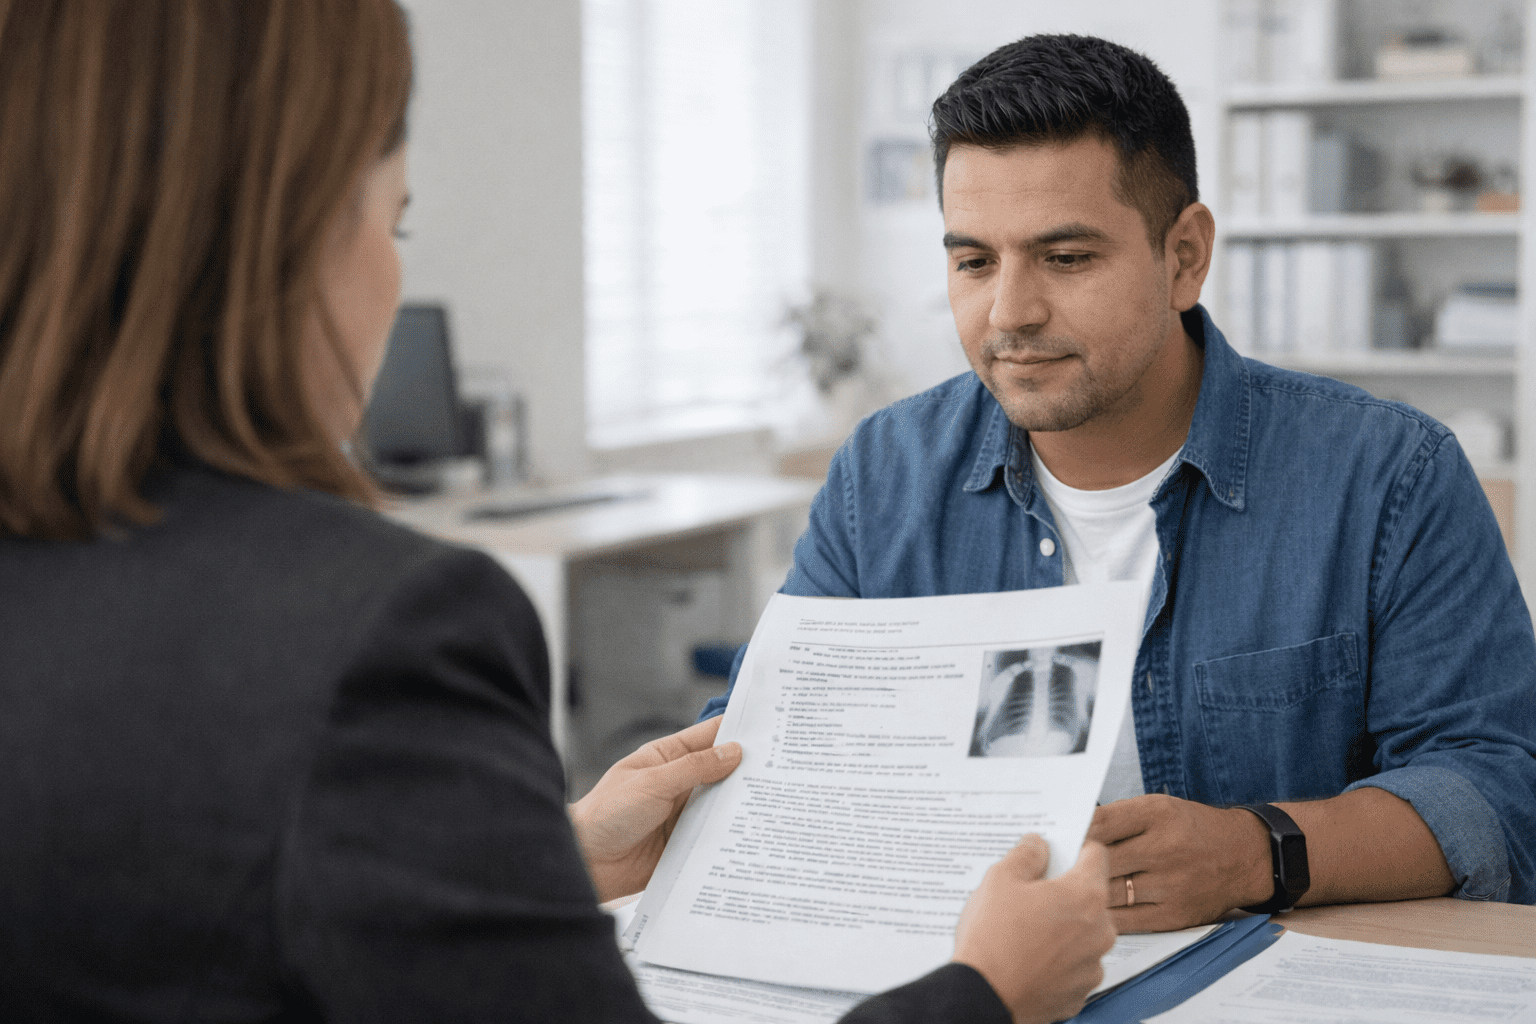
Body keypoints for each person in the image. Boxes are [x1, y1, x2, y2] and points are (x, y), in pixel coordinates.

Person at [0, 3, 1117, 1021]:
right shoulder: (378, 633)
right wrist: (987, 991)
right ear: (282, 239)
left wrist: (538, 855)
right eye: (391, 223)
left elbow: (197, 898)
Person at [702, 32, 1536, 926]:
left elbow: (1495, 792)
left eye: (1066, 259)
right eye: (974, 261)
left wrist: (1259, 852)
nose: (1010, 313)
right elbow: (771, 745)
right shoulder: (885, 476)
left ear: (1184, 257)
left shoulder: (1388, 477)